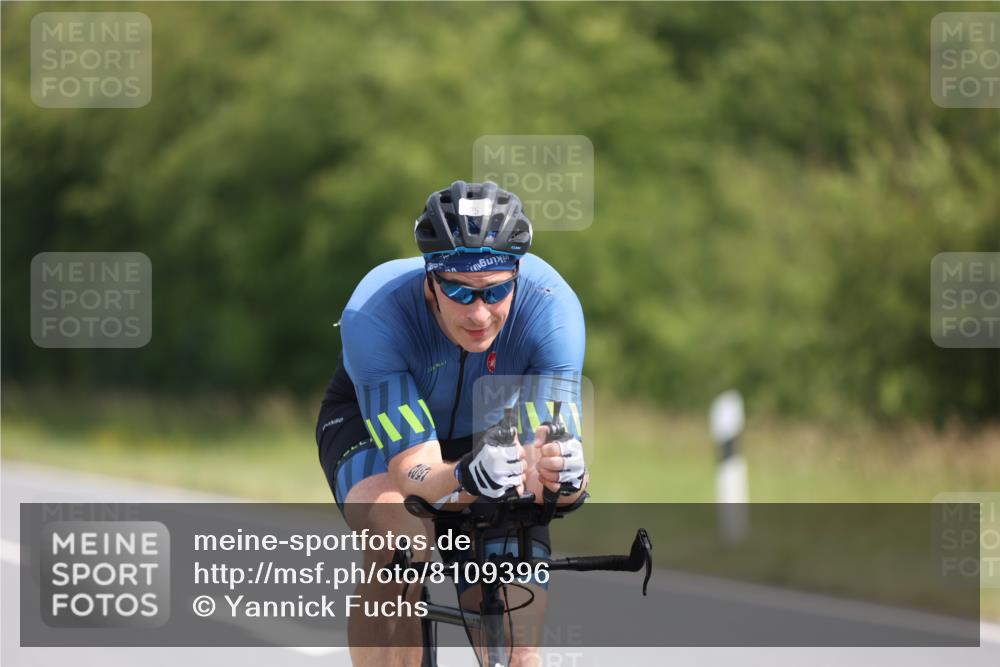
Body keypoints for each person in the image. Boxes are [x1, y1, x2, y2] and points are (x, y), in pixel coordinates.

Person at [316, 180, 588, 666]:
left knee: (515, 632)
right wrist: (465, 476)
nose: (479, 313)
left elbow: (555, 484)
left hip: (491, 428)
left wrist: (567, 475)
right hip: (374, 430)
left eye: (497, 290)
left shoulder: (553, 311)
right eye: (460, 292)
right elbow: (413, 475)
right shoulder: (374, 313)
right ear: (430, 281)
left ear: (518, 275)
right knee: (397, 532)